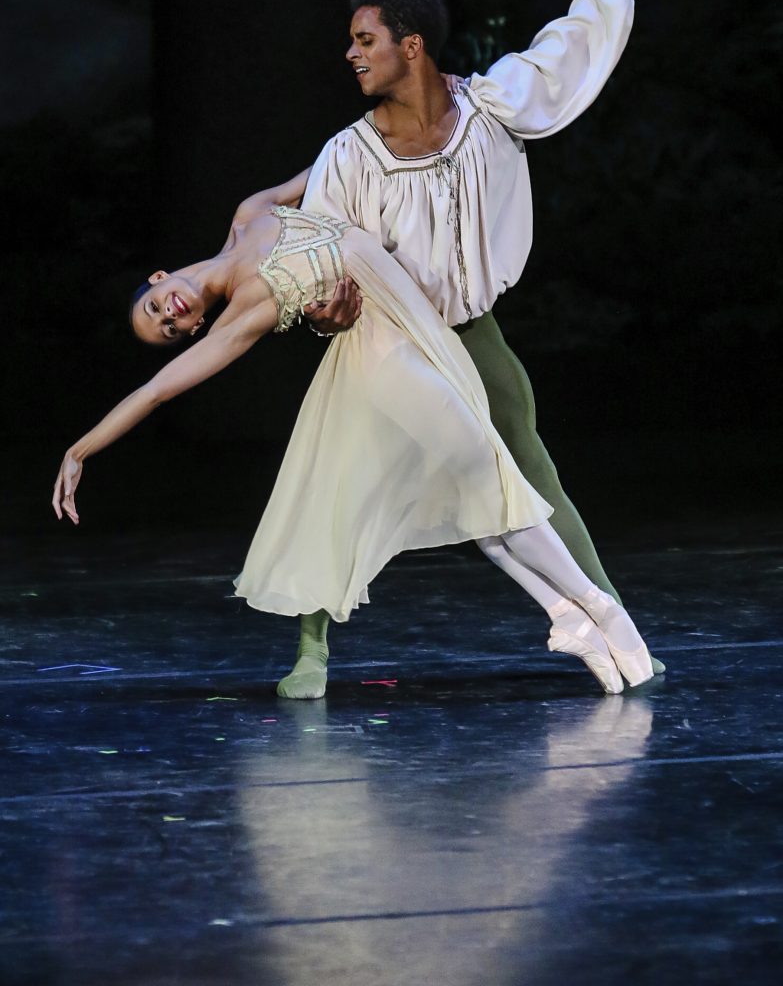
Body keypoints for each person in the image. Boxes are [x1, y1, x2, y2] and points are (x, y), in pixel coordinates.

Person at [275, 0, 723, 698]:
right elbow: (316, 264)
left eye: (365, 41)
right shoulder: (346, 157)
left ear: (408, 47)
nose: (351, 55)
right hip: (392, 349)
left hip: (473, 335)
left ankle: (609, 618)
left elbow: (570, 43)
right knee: (340, 484)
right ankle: (311, 651)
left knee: (529, 476)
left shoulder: (490, 106)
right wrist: (324, 313)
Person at [52, 184, 655, 696]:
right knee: (487, 470)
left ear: (160, 278)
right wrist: (81, 449)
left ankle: (562, 615)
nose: (170, 315)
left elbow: (343, 160)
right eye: (169, 328)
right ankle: (599, 611)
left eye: (157, 305)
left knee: (479, 487)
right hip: (384, 355)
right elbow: (157, 391)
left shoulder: (248, 215)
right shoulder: (237, 316)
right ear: (195, 329)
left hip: (424, 322)